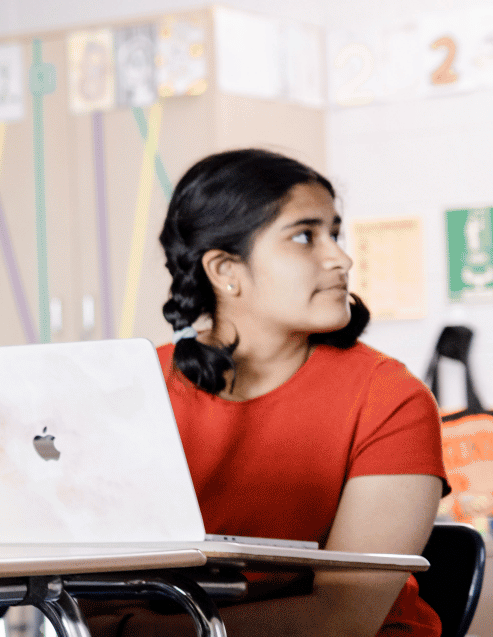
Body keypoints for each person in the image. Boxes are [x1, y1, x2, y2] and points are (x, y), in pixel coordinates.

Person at [143, 149, 444, 637]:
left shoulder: (392, 399)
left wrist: (135, 632)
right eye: (305, 236)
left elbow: (342, 619)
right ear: (224, 270)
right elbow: (91, 586)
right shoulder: (134, 386)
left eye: (334, 233)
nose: (340, 258)